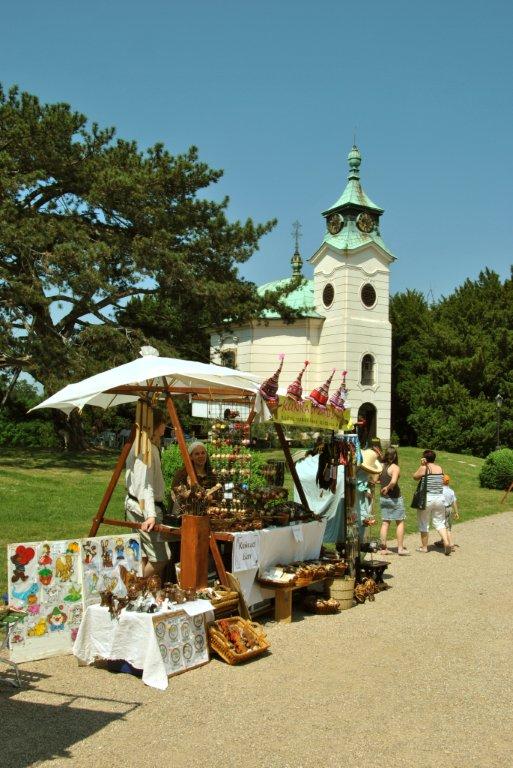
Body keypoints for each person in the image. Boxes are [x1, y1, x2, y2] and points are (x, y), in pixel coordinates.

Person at [125, 409, 169, 578]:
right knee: (160, 558)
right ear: (157, 425)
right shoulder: (145, 449)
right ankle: (138, 585)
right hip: (142, 509)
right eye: (163, 423)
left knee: (142, 556)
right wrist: (150, 515)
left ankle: (142, 589)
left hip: (140, 507)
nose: (165, 427)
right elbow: (144, 485)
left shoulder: (147, 445)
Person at [413, 449, 452, 556]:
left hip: (427, 498)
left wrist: (421, 465)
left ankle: (424, 547)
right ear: (434, 458)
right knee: (440, 522)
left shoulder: (424, 468)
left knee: (424, 523)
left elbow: (415, 477)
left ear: (425, 458)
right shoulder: (440, 468)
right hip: (440, 498)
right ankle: (446, 542)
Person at [378, 447, 408, 555]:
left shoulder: (381, 466)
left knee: (385, 522)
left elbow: (376, 479)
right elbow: (394, 481)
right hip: (395, 498)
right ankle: (400, 548)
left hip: (383, 498)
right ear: (395, 456)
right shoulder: (395, 467)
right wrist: (388, 487)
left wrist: (383, 485)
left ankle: (383, 548)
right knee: (400, 522)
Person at [434, 474, 459, 551]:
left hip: (442, 509)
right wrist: (456, 512)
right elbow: (454, 502)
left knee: (443, 526)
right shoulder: (451, 491)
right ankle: (442, 541)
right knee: (446, 524)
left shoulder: (440, 490)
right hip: (449, 509)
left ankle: (451, 544)